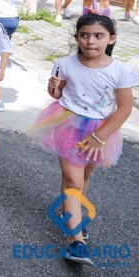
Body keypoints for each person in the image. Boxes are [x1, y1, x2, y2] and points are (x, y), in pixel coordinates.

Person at [27, 14, 138, 266]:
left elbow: (124, 109)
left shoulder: (121, 71)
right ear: (77, 37)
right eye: (84, 35)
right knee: (73, 181)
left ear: (111, 39)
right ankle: (76, 241)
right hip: (68, 125)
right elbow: (58, 94)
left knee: (84, 176)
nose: (90, 41)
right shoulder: (65, 64)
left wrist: (100, 137)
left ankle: (73, 214)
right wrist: (53, 87)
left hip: (101, 131)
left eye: (98, 36)